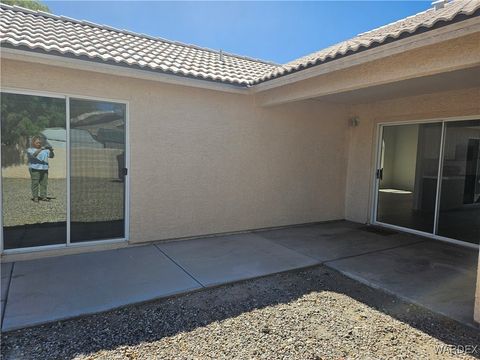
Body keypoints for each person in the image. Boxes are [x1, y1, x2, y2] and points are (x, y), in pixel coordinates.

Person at [27, 135, 54, 202]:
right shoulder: (30, 150)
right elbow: (33, 155)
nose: (39, 144)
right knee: (35, 183)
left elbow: (51, 156)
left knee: (44, 183)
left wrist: (51, 151)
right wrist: (41, 149)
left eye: (40, 142)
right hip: (35, 169)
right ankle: (35, 197)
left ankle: (43, 196)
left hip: (44, 168)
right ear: (33, 143)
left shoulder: (45, 150)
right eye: (37, 142)